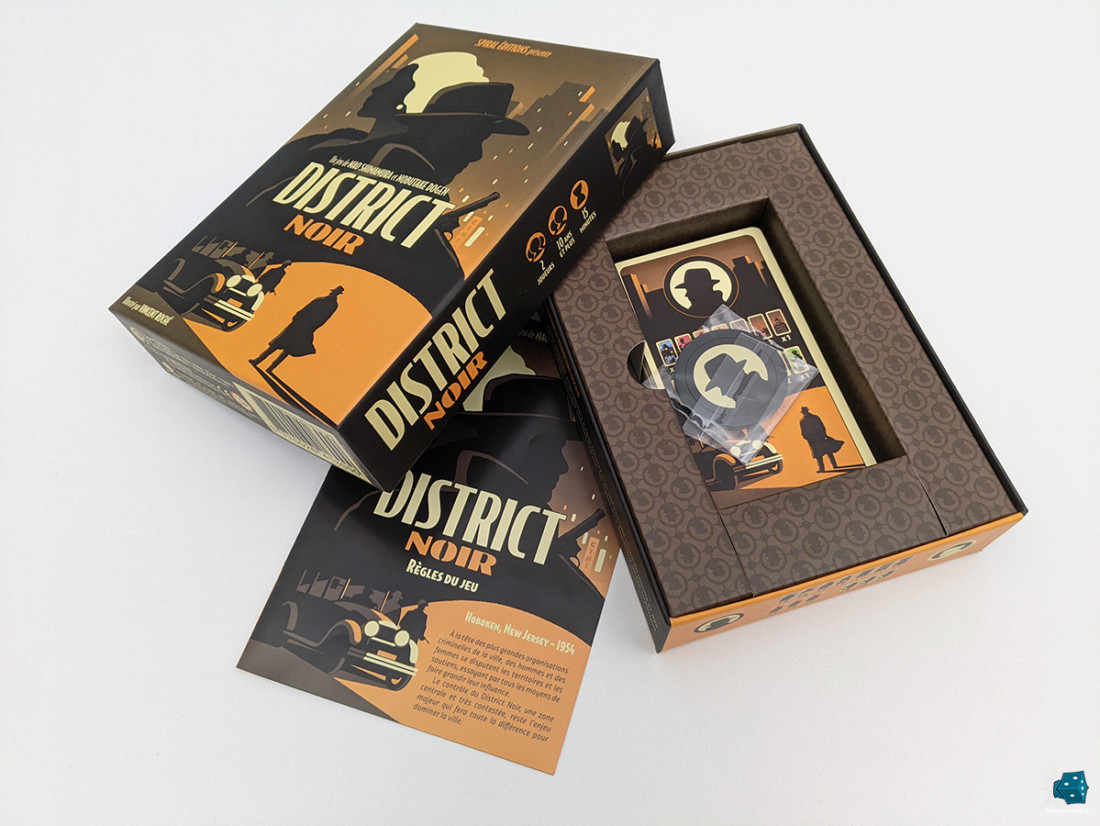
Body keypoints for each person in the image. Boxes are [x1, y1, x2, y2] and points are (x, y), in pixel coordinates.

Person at [250, 286, 343, 372]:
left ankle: (264, 363)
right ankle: (265, 364)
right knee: (283, 345)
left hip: (303, 326)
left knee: (285, 345)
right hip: (302, 325)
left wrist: (305, 321)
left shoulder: (327, 303)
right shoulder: (325, 302)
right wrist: (301, 319)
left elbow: (319, 317)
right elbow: (310, 311)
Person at [799, 406, 844, 472]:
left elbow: (804, 432)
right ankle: (834, 465)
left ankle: (822, 468)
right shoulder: (814, 418)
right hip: (818, 437)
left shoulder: (803, 421)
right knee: (827, 451)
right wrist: (824, 435)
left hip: (814, 439)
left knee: (819, 453)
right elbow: (821, 427)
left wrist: (807, 437)